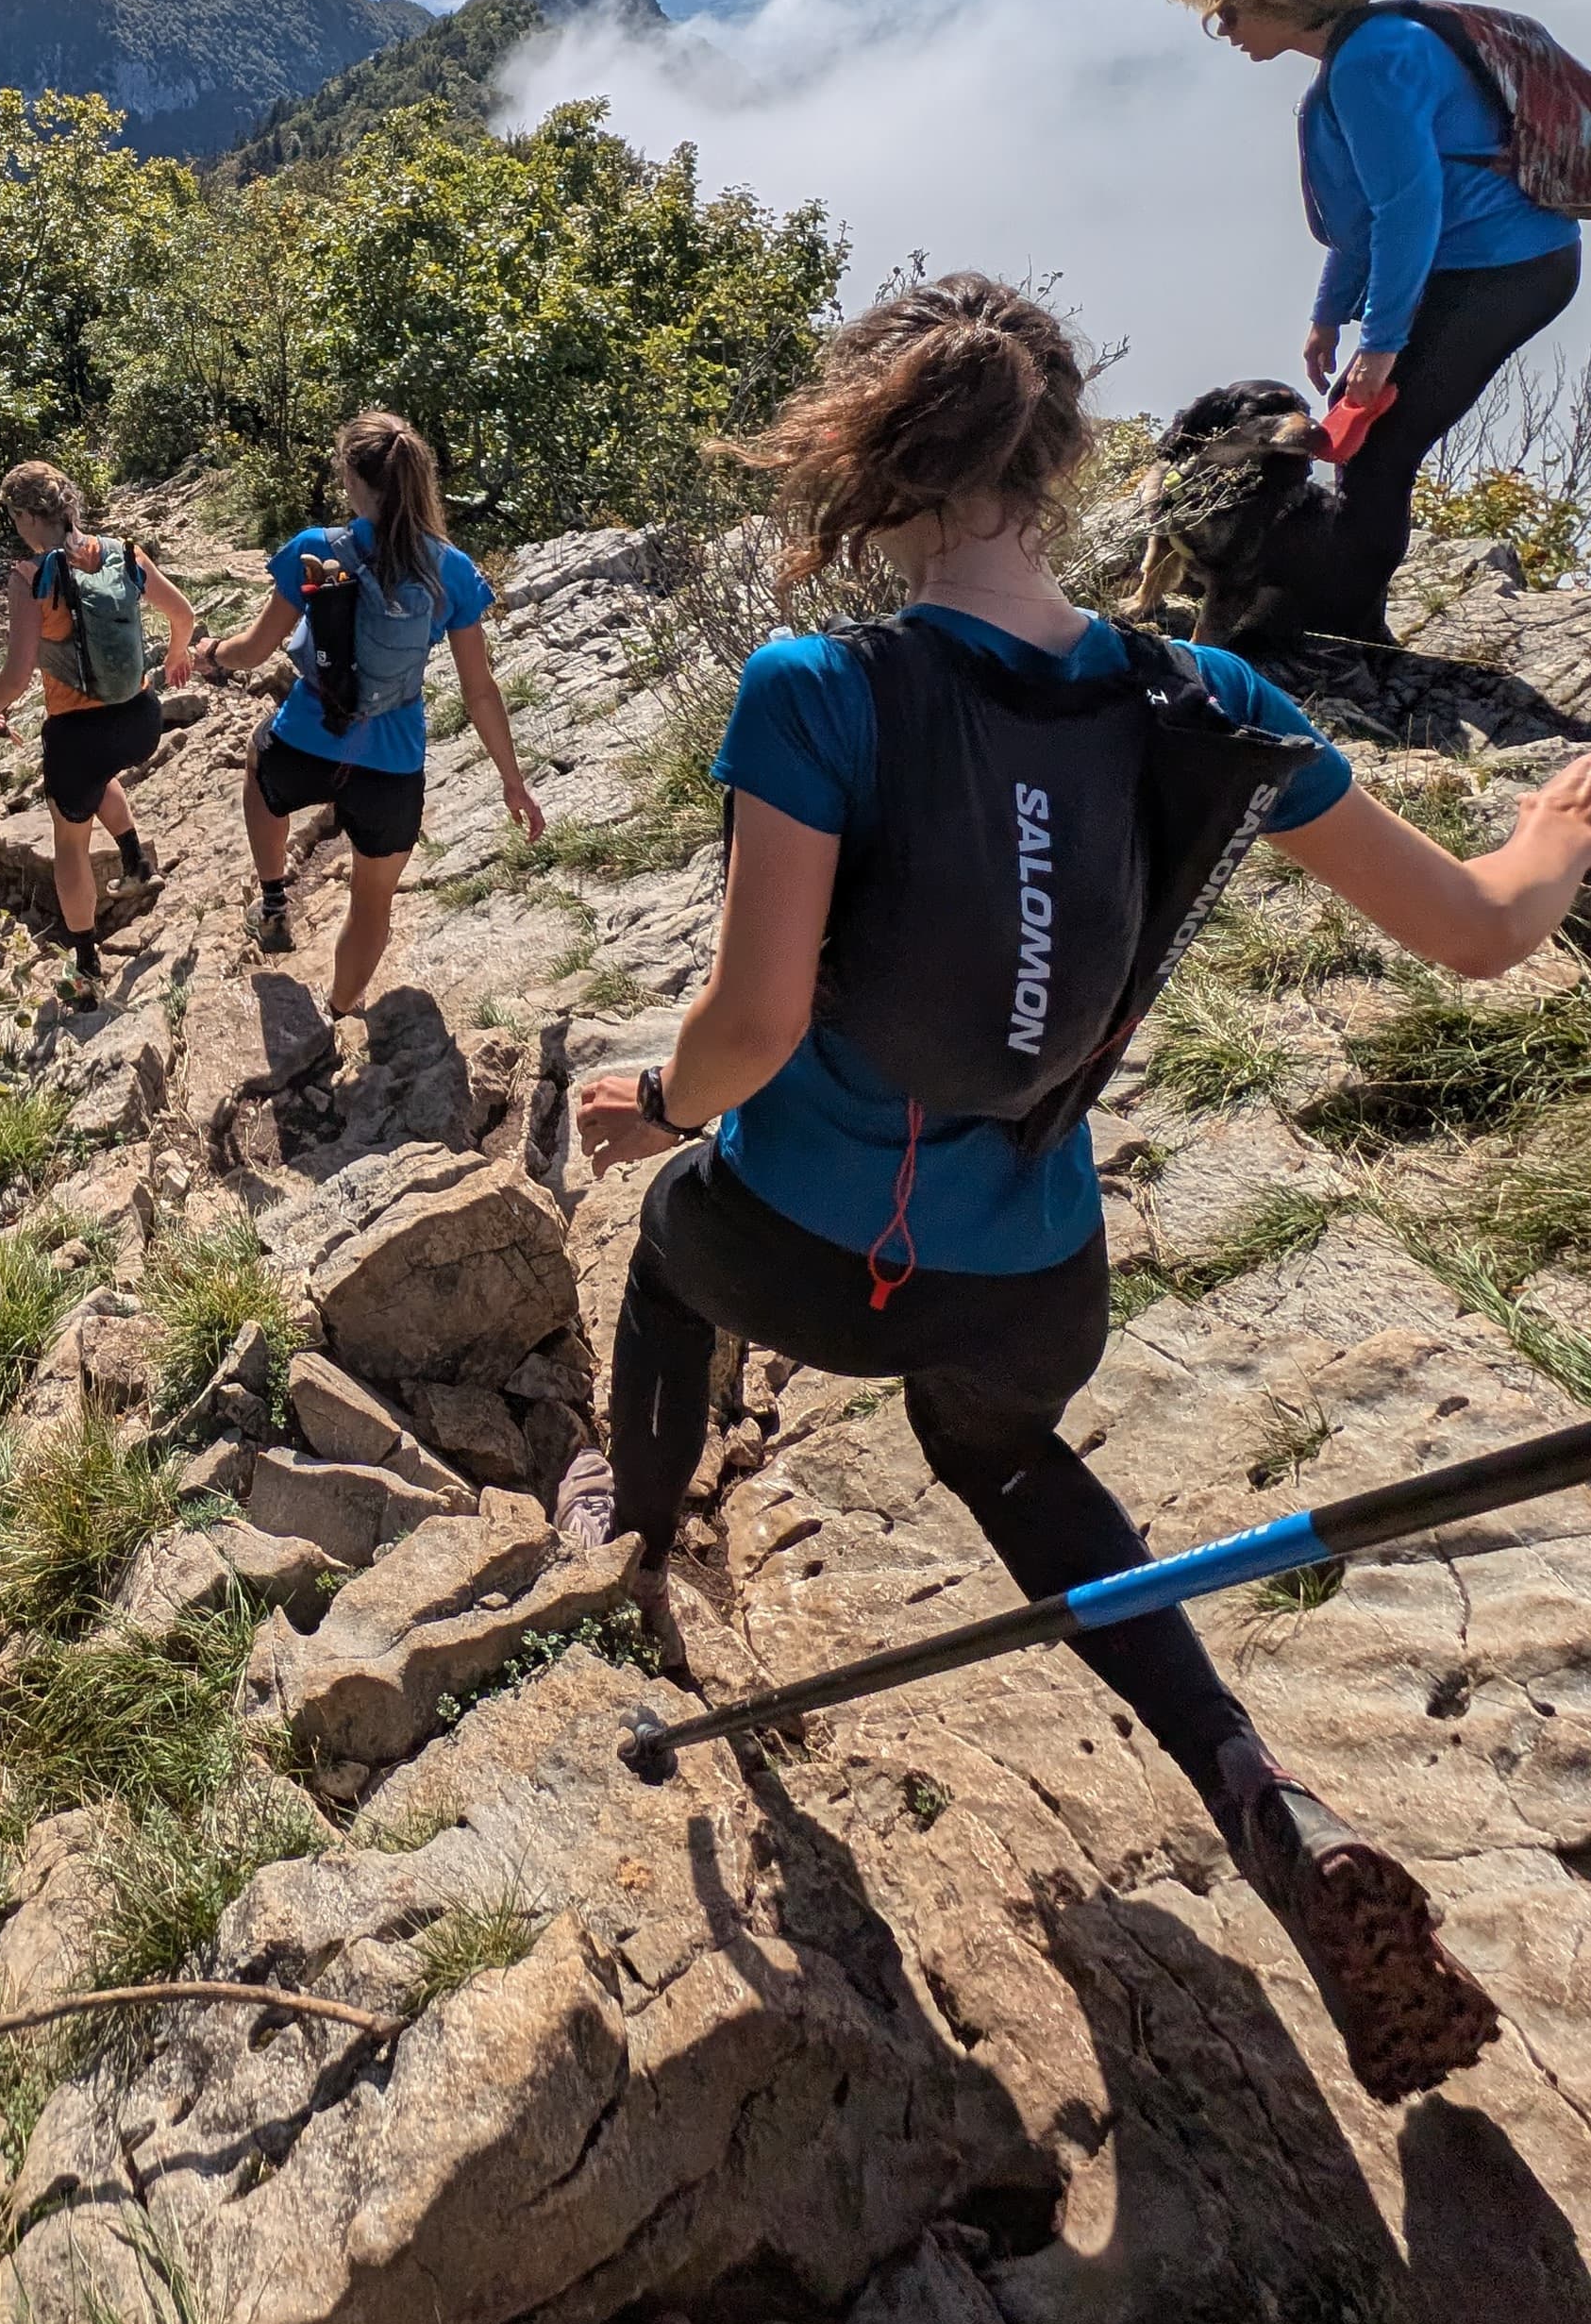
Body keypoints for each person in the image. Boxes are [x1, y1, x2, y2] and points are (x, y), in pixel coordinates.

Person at [560, 271, 1591, 2103]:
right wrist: (1547, 833)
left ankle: (631, 1523)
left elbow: (750, 1026)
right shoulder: (1210, 695)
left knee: (663, 1249)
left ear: (868, 464)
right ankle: (1257, 1790)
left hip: (799, 1251)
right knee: (1017, 1465)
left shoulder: (819, 690)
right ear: (1059, 456)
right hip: (1031, 1283)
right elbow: (1480, 934)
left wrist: (648, 1093)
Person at [1175, 0, 1580, 643]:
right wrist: (1331, 313)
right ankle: (1335, 614)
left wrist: (1382, 343)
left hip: (1503, 272)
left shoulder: (1370, 64)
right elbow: (1367, 216)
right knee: (1367, 445)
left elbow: (1408, 209)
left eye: (1230, 11)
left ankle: (1343, 630)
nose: (1224, 29)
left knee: (1376, 455)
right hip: (1497, 265)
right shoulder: (1371, 50)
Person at [197, 411, 545, 1059]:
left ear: (354, 480)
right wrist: (513, 783)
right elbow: (480, 692)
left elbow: (253, 650)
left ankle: (273, 899)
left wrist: (210, 650)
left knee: (258, 768)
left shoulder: (316, 548)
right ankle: (335, 1014)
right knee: (373, 900)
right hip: (393, 767)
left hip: (306, 739)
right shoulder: (453, 571)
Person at [0, 463, 199, 1007]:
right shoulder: (123, 552)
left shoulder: (30, 576)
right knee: (101, 777)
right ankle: (136, 861)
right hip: (140, 719)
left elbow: (19, 669)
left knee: (70, 843)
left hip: (78, 733)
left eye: (15, 516)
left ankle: (84, 969)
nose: (16, 527)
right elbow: (184, 614)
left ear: (31, 515)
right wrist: (176, 656)